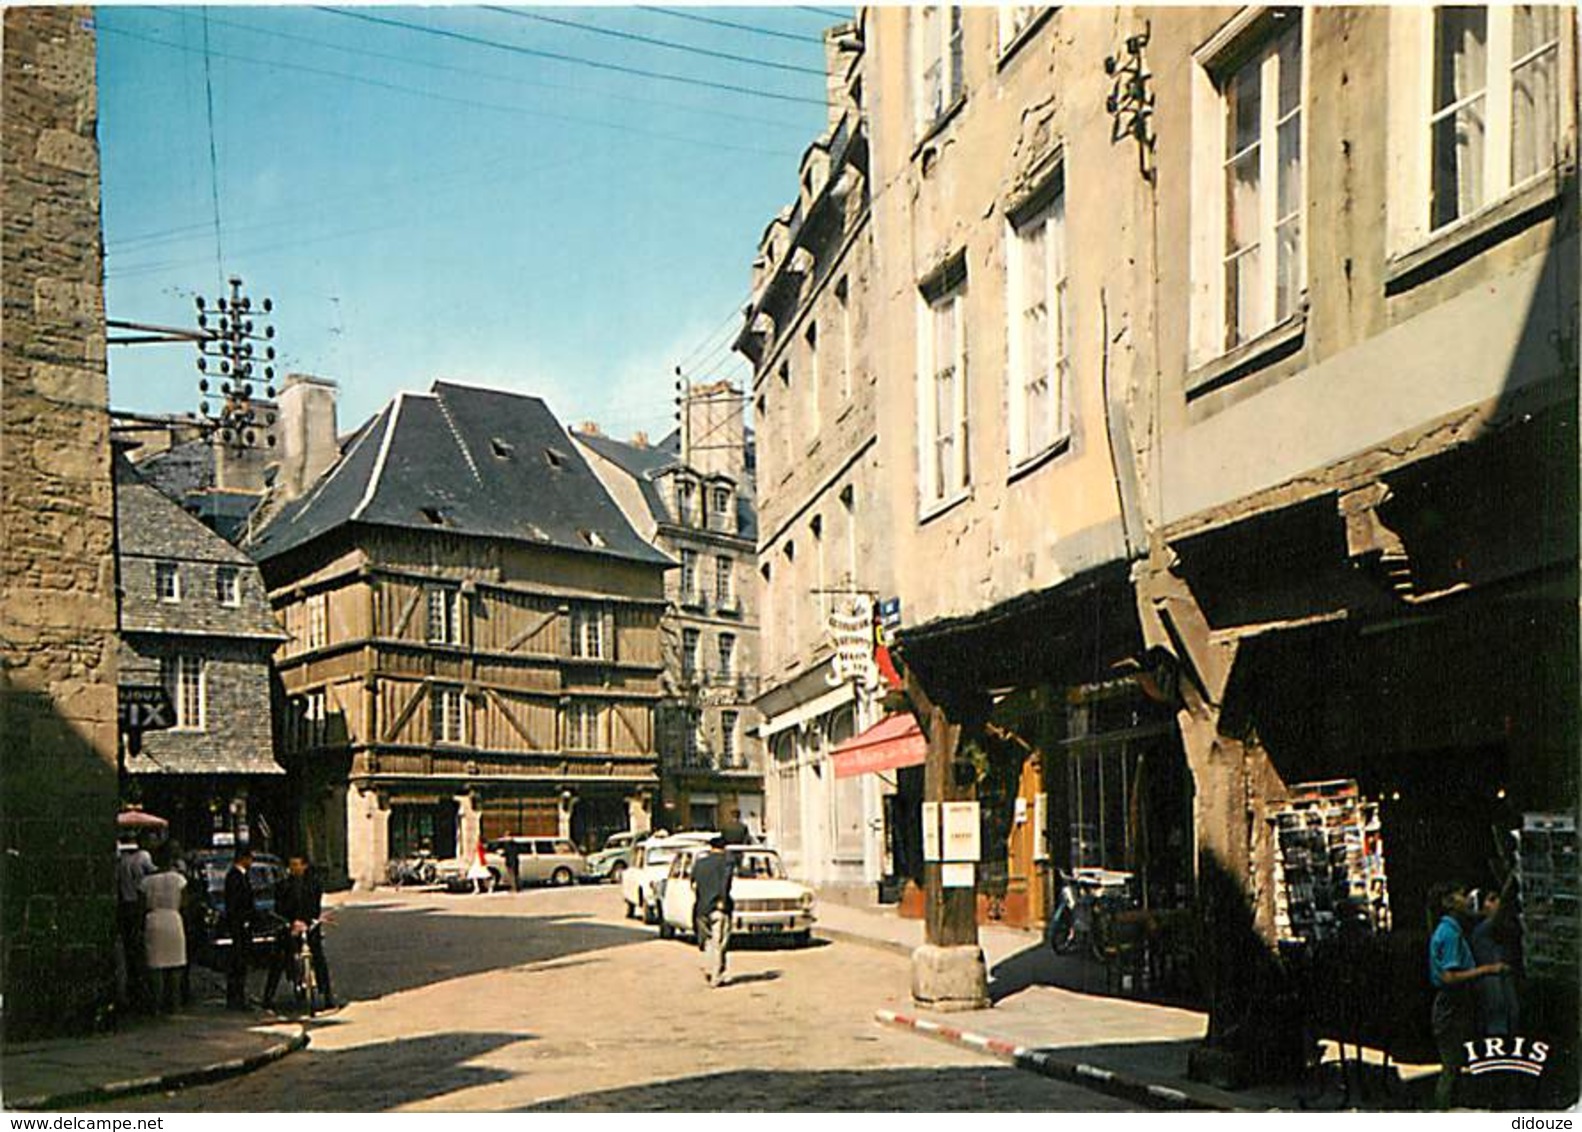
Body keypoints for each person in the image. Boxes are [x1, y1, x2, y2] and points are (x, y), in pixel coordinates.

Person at [1427, 881, 1508, 1109]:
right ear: (1449, 902)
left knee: (1456, 1067)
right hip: (1451, 1006)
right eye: (1461, 895)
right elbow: (1449, 977)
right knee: (1451, 1068)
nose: (1467, 899)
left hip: (1456, 1005)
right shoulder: (1449, 934)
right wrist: (1488, 970)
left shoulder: (1451, 930)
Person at [262, 853, 335, 1011]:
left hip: (308, 925)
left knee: (319, 958)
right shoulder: (282, 885)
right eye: (292, 865)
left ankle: (327, 995)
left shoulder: (314, 885)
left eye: (297, 865)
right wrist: (291, 923)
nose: (294, 868)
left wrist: (307, 922)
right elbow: (279, 907)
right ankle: (268, 996)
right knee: (278, 958)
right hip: (289, 925)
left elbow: (315, 907)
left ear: (305, 866)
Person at [140, 843, 188, 1013]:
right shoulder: (179, 880)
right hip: (173, 919)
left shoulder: (147, 882)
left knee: (155, 964)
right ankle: (174, 1004)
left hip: (154, 919)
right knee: (175, 964)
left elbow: (141, 904)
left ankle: (156, 1005)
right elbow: (185, 902)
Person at [115, 837, 156, 1011]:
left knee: (130, 948)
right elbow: (151, 874)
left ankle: (134, 988)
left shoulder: (121, 861)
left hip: (126, 904)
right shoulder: (143, 857)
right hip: (139, 904)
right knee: (140, 947)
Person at [691, 834, 735, 987]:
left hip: (701, 907)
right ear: (723, 848)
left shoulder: (700, 863)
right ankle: (717, 977)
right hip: (718, 907)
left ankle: (709, 970)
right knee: (719, 942)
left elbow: (693, 885)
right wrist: (722, 900)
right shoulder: (726, 862)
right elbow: (725, 883)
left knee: (708, 941)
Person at [224, 847, 257, 1010]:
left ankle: (238, 995)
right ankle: (236, 998)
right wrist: (244, 920)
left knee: (241, 963)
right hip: (239, 925)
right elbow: (236, 902)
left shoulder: (241, 876)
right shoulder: (235, 877)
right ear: (243, 859)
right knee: (238, 962)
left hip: (242, 924)